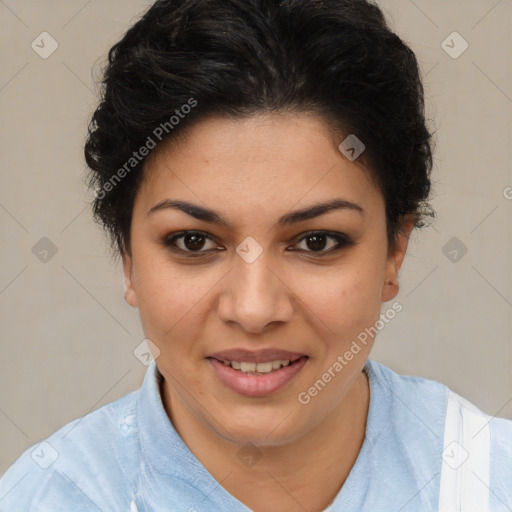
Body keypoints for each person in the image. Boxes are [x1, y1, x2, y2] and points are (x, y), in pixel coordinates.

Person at [1, 0, 511, 510]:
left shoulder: (491, 481)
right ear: (127, 256)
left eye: (316, 241)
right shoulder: (47, 496)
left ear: (394, 250)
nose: (254, 310)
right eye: (194, 241)